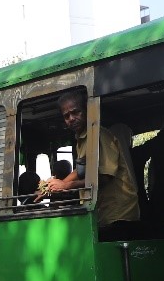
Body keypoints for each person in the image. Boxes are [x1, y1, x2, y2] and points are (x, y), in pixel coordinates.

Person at [36, 90, 139, 236]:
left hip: (119, 214)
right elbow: (80, 170)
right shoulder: (82, 138)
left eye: (75, 112)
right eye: (66, 116)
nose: (71, 118)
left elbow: (105, 177)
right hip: (104, 213)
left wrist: (66, 186)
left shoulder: (100, 135)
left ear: (86, 110)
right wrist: (51, 187)